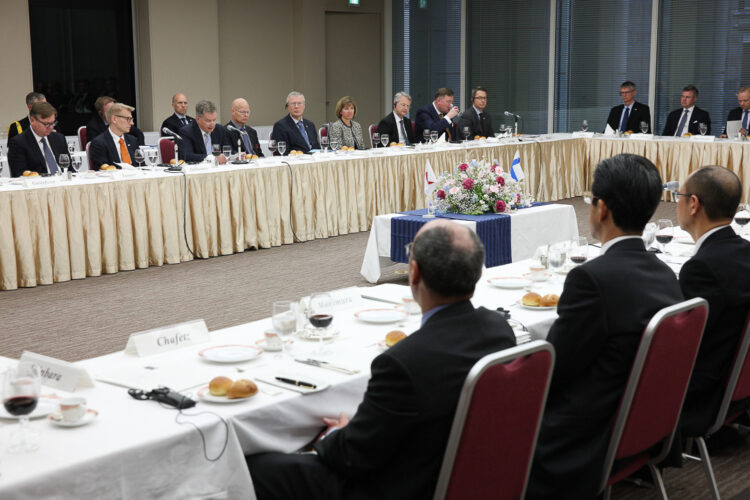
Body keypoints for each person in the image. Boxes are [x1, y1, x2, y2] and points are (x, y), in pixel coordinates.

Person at [246, 219, 516, 500]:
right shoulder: (498, 329)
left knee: (255, 469)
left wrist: (334, 436)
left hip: (401, 486)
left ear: (414, 273)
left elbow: (353, 457)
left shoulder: (403, 362)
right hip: (468, 474)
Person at [527, 154, 683, 499]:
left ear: (602, 208)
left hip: (589, 433)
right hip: (644, 422)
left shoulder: (591, 280)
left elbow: (555, 368)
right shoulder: (664, 272)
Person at [674, 166, 750, 436]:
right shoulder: (745, 251)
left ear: (693, 204)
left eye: (678, 195)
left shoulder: (701, 268)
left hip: (704, 396)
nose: (677, 202)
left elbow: (681, 346)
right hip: (740, 383)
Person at [7, 101, 68, 177]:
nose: (51, 127)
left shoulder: (59, 138)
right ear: (32, 120)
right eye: (46, 124)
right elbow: (19, 175)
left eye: (53, 123)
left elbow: (69, 168)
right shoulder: (18, 143)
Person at [88, 103, 139, 170]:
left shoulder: (132, 140)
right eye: (128, 119)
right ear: (114, 119)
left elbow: (141, 165)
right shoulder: (99, 143)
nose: (132, 123)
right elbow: (102, 170)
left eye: (131, 119)